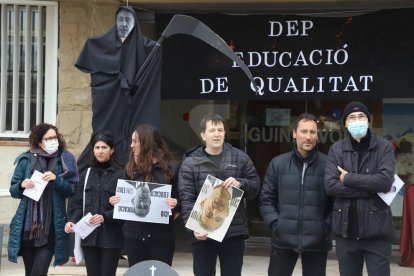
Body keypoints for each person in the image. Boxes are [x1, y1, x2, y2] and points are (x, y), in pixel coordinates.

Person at [178, 114, 260, 276]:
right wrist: (193, 228)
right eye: (212, 130)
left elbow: (255, 187)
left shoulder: (240, 158)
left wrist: (241, 183)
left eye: (220, 130)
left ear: (224, 133)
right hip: (202, 232)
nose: (217, 134)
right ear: (203, 135)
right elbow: (187, 199)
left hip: (233, 232)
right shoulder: (190, 163)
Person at [325, 101, 396, 276]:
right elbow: (331, 186)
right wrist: (370, 187)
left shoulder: (384, 147)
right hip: (345, 232)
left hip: (377, 232)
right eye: (352, 117)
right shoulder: (336, 150)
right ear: (345, 124)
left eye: (361, 116)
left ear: (368, 120)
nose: (357, 120)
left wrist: (348, 178)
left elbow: (385, 182)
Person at [260, 113, 332, 276]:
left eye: (312, 132)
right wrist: (276, 224)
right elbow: (266, 199)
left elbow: (337, 202)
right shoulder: (278, 163)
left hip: (317, 239)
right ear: (294, 133)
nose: (308, 137)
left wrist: (325, 227)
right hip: (283, 238)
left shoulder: (328, 164)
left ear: (317, 135)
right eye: (304, 131)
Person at [8, 123, 78, 276]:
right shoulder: (26, 160)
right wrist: (21, 185)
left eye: (55, 137)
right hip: (28, 228)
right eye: (48, 138)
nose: (53, 141)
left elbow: (72, 190)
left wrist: (56, 179)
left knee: (39, 272)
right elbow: (13, 190)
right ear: (39, 141)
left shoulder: (64, 159)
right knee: (30, 272)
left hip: (50, 227)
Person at [109, 124, 180, 267]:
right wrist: (115, 200)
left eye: (135, 141)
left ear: (147, 143)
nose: (131, 145)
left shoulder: (171, 168)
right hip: (133, 235)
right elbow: (122, 198)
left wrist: (176, 203)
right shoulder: (130, 168)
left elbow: (183, 198)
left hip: (161, 236)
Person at [65, 131, 124, 276]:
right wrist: (72, 221)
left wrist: (106, 216)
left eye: (104, 147)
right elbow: (78, 204)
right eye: (97, 147)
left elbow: (125, 209)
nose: (100, 151)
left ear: (112, 150)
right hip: (89, 237)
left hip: (111, 237)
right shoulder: (86, 174)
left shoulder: (121, 174)